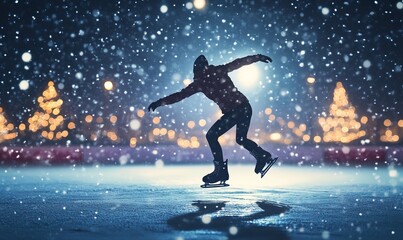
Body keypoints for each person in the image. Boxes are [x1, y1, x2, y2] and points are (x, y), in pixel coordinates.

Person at [148, 54, 275, 185]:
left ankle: (220, 171)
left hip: (236, 110)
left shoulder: (200, 82)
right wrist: (257, 57)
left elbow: (180, 95)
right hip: (245, 107)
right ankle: (262, 155)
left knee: (212, 135)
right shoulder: (217, 71)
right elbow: (238, 62)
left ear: (196, 70)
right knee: (240, 139)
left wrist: (160, 102)